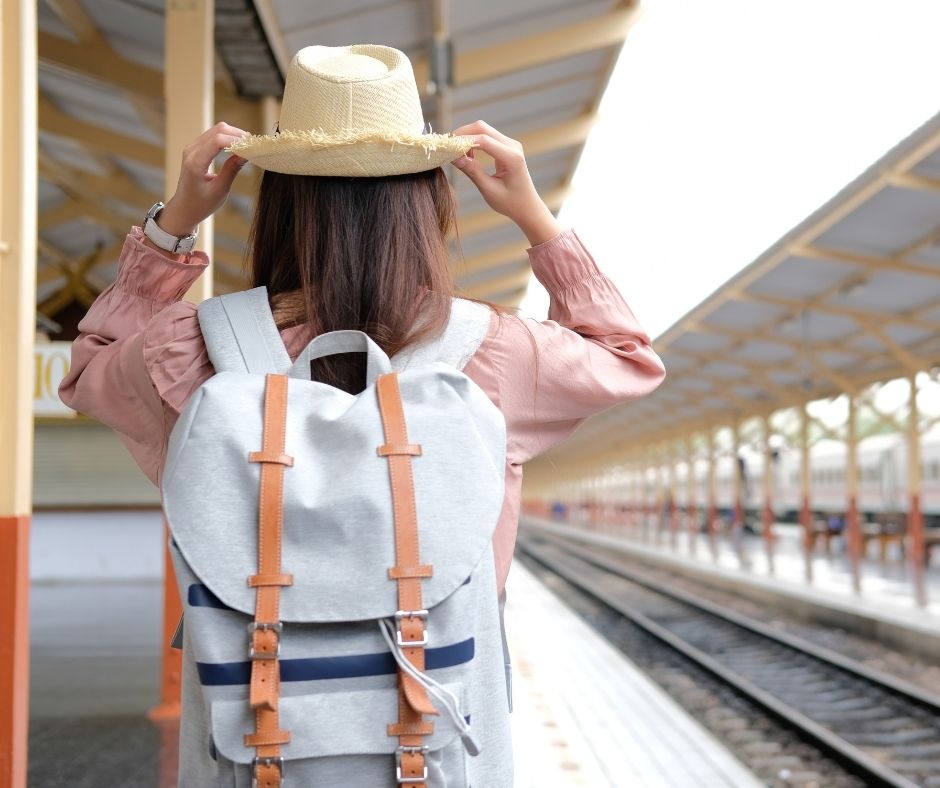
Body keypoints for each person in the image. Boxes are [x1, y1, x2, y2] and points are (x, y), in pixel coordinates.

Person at [59, 42, 666, 784]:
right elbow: (628, 359)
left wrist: (173, 227)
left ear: (275, 203)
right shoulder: (492, 355)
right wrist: (536, 219)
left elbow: (87, 370)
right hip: (440, 739)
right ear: (428, 203)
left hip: (252, 746)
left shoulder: (193, 349)